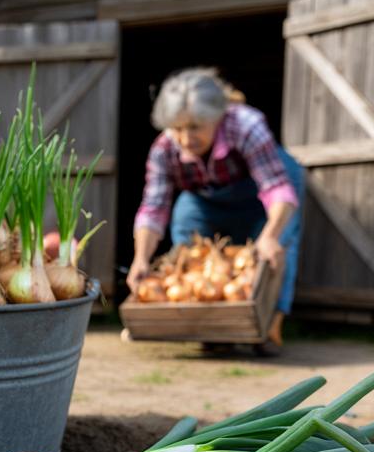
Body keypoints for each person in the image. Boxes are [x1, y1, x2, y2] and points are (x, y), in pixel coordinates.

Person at [126, 67, 304, 353]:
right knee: (186, 220)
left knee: (277, 246)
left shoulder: (246, 126)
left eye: (195, 127)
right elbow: (153, 207)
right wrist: (141, 259)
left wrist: (270, 236)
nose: (186, 139)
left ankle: (271, 324)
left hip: (262, 192)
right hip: (207, 197)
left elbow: (277, 189)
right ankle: (209, 324)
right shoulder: (164, 149)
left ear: (217, 116)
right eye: (177, 128)